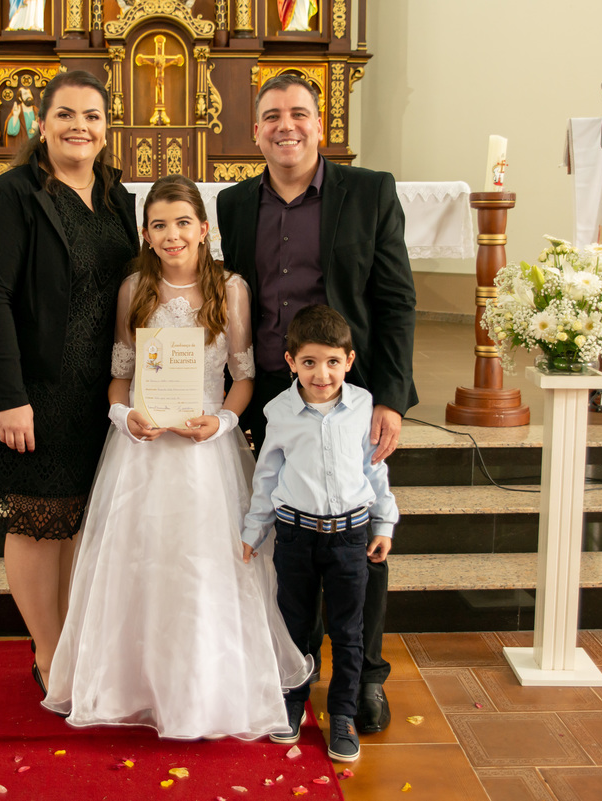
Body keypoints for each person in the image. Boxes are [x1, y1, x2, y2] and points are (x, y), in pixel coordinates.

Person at [43, 175, 311, 739]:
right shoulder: (135, 289)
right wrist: (124, 417)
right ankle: (134, 682)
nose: (172, 235)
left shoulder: (229, 289)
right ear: (145, 233)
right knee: (141, 561)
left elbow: (242, 375)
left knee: (202, 565)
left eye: (183, 223)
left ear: (204, 228)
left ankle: (205, 685)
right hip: (141, 450)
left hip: (205, 450)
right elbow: (120, 377)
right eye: (160, 225)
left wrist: (223, 422)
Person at [216, 73, 417, 735]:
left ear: (319, 123)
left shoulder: (369, 192)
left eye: (298, 113)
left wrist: (388, 398)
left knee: (358, 536)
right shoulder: (237, 203)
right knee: (288, 539)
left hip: (348, 393)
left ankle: (367, 679)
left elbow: (394, 302)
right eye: (271, 115)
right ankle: (292, 669)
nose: (285, 126)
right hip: (271, 393)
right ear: (255, 132)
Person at [0, 70, 139, 697]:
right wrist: (10, 397)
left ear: (105, 127)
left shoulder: (117, 194)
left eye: (92, 116)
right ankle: (48, 651)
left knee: (75, 521)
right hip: (36, 389)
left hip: (98, 391)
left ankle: (70, 641)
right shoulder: (13, 194)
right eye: (65, 114)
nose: (79, 127)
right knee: (38, 523)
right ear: (40, 124)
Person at [241, 304, 400, 762]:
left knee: (348, 631)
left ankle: (344, 715)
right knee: (294, 625)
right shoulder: (279, 411)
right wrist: (255, 530)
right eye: (309, 362)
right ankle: (291, 703)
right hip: (295, 535)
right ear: (291, 362)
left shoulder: (365, 407)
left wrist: (383, 523)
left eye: (332, 362)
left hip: (350, 536)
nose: (322, 373)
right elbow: (267, 477)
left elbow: (376, 471)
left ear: (349, 360)